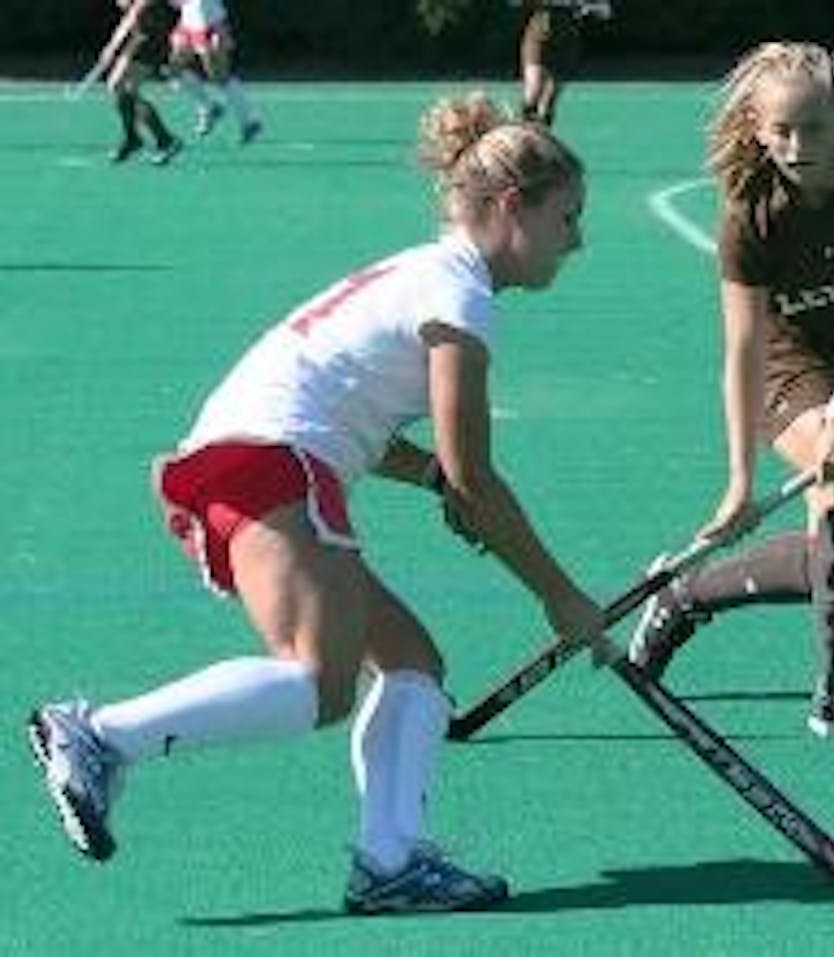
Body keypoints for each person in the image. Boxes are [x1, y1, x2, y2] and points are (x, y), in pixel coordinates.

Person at [26, 91, 604, 913]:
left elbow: (389, 437)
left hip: (260, 460)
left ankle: (391, 858)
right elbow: (475, 473)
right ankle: (99, 734)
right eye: (567, 218)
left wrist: (437, 483)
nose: (576, 241)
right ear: (514, 207)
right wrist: (561, 596)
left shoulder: (427, 272)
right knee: (318, 681)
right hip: (269, 463)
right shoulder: (461, 296)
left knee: (413, 666)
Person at [628, 41, 834, 744]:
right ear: (759, 131)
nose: (798, 146)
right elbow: (740, 349)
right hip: (785, 365)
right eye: (781, 131)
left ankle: (682, 593)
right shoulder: (751, 212)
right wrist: (738, 481)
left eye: (815, 127)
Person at [166, 0, 262, 143]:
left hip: (210, 22)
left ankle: (249, 121)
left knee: (218, 75)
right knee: (173, 68)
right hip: (188, 22)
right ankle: (210, 105)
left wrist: (221, 31)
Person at [102, 0, 182, 165]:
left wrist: (113, 44)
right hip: (141, 33)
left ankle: (164, 139)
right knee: (120, 88)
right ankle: (134, 138)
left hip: (150, 36)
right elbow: (128, 9)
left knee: (123, 88)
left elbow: (139, 10)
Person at [516, 0, 612, 127]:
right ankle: (522, 131)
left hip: (566, 42)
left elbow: (605, 11)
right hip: (537, 36)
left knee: (548, 102)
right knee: (532, 92)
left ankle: (542, 137)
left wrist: (589, 8)